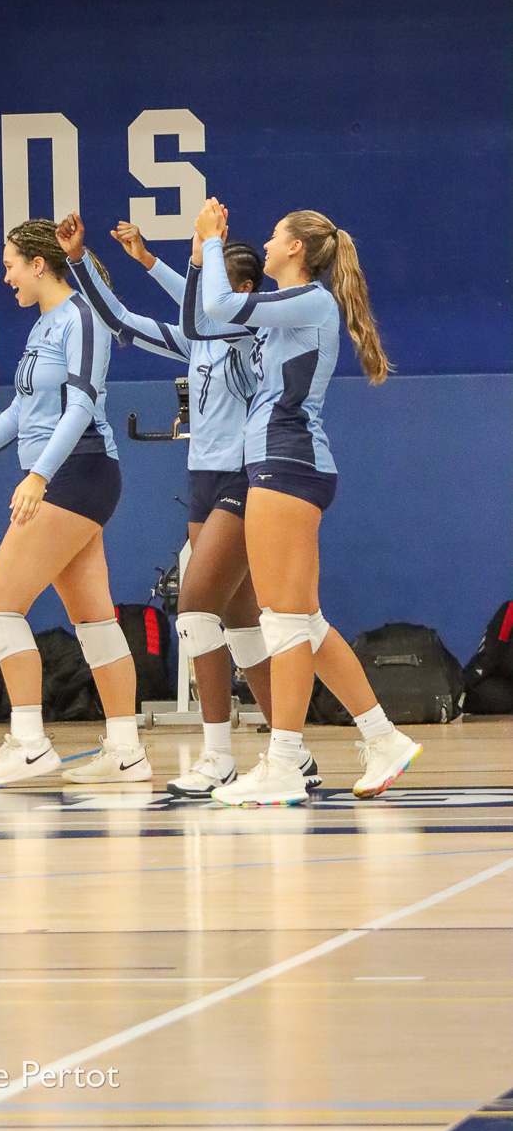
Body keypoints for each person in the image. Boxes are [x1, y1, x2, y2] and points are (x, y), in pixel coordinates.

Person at [63, 213, 312, 798]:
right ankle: (291, 753)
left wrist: (180, 261)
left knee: (196, 610)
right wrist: (82, 262)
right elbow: (123, 321)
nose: (207, 297)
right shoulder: (198, 339)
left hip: (246, 477)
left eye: (220, 285)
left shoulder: (252, 334)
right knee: (240, 622)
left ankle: (220, 756)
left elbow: (200, 309)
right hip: (204, 482)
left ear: (242, 293)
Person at [193, 199, 420, 805]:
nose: (263, 244)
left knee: (282, 620)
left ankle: (286, 760)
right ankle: (381, 737)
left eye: (272, 237)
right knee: (303, 622)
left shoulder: (311, 300)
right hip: (285, 464)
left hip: (288, 463)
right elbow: (207, 321)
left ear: (295, 248)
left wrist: (213, 242)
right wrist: (190, 260)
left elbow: (219, 305)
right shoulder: (287, 309)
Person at [0, 218, 148, 787]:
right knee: (94, 619)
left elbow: (78, 409)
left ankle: (29, 743)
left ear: (39, 264)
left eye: (10, 264)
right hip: (60, 472)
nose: (6, 276)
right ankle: (126, 752)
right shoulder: (42, 326)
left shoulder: (81, 319)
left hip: (79, 470)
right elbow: (22, 413)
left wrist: (40, 476)